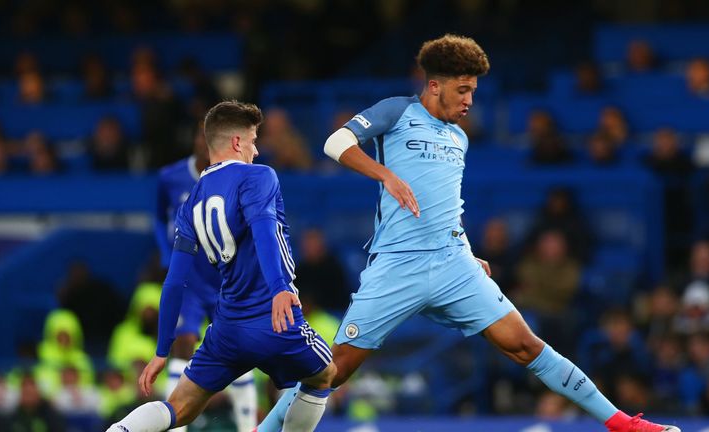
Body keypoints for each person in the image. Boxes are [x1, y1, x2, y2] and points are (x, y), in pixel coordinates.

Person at [260, 34, 680, 432]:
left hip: (452, 263)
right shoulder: (397, 111)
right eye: (462, 90)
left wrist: (465, 246)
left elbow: (447, 205)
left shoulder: (458, 138)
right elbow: (336, 142)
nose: (469, 100)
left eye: (473, 91)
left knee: (525, 345)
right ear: (434, 85)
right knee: (333, 368)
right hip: (397, 266)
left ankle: (624, 424)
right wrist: (385, 175)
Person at [107, 101, 337, 432]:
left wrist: (161, 350)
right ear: (236, 142)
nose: (256, 151)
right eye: (253, 140)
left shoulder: (192, 201)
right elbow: (264, 231)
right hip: (274, 318)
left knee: (180, 408)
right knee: (324, 375)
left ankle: (120, 430)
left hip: (227, 328)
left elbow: (174, 281)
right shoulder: (258, 176)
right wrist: (281, 289)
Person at [154, 121, 257, 432]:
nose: (204, 142)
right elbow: (158, 218)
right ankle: (177, 426)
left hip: (228, 277)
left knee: (239, 348)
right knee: (184, 343)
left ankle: (248, 425)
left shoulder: (238, 177)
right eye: (199, 136)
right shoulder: (169, 177)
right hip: (191, 280)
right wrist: (164, 251)